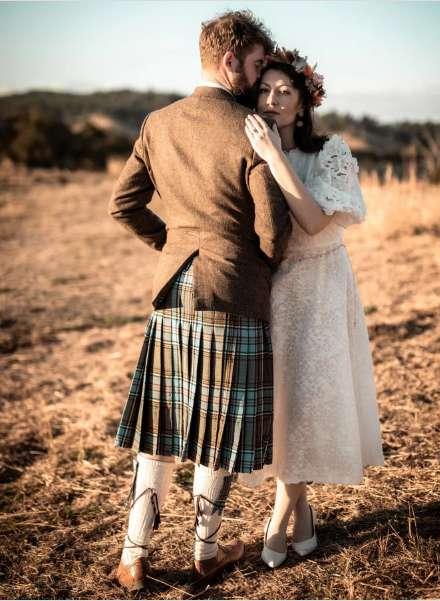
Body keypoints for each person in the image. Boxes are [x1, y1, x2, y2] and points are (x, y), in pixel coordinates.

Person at [108, 12, 291, 592]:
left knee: (159, 426)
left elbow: (123, 204)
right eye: (257, 64)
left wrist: (172, 244)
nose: (259, 77)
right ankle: (205, 554)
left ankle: (133, 558)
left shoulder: (158, 122)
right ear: (230, 59)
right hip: (231, 289)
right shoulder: (251, 128)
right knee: (218, 428)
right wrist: (255, 265)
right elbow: (274, 230)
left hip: (172, 291)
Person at [241, 48, 384, 568]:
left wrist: (275, 155)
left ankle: (277, 523)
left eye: (285, 91)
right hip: (276, 290)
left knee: (308, 403)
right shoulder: (247, 150)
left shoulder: (330, 152)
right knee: (286, 406)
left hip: (322, 286)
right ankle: (304, 517)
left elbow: (313, 222)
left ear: (303, 103)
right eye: (265, 90)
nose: (273, 99)